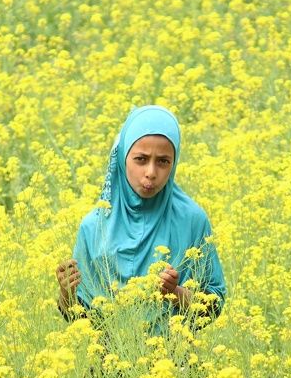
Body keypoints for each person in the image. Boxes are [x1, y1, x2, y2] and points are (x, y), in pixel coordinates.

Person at [56, 105, 225, 324]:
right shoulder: (93, 226)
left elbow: (214, 305)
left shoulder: (192, 220)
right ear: (123, 156)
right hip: (106, 356)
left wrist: (176, 293)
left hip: (176, 355)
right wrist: (66, 293)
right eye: (141, 159)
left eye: (163, 161)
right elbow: (79, 320)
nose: (151, 173)